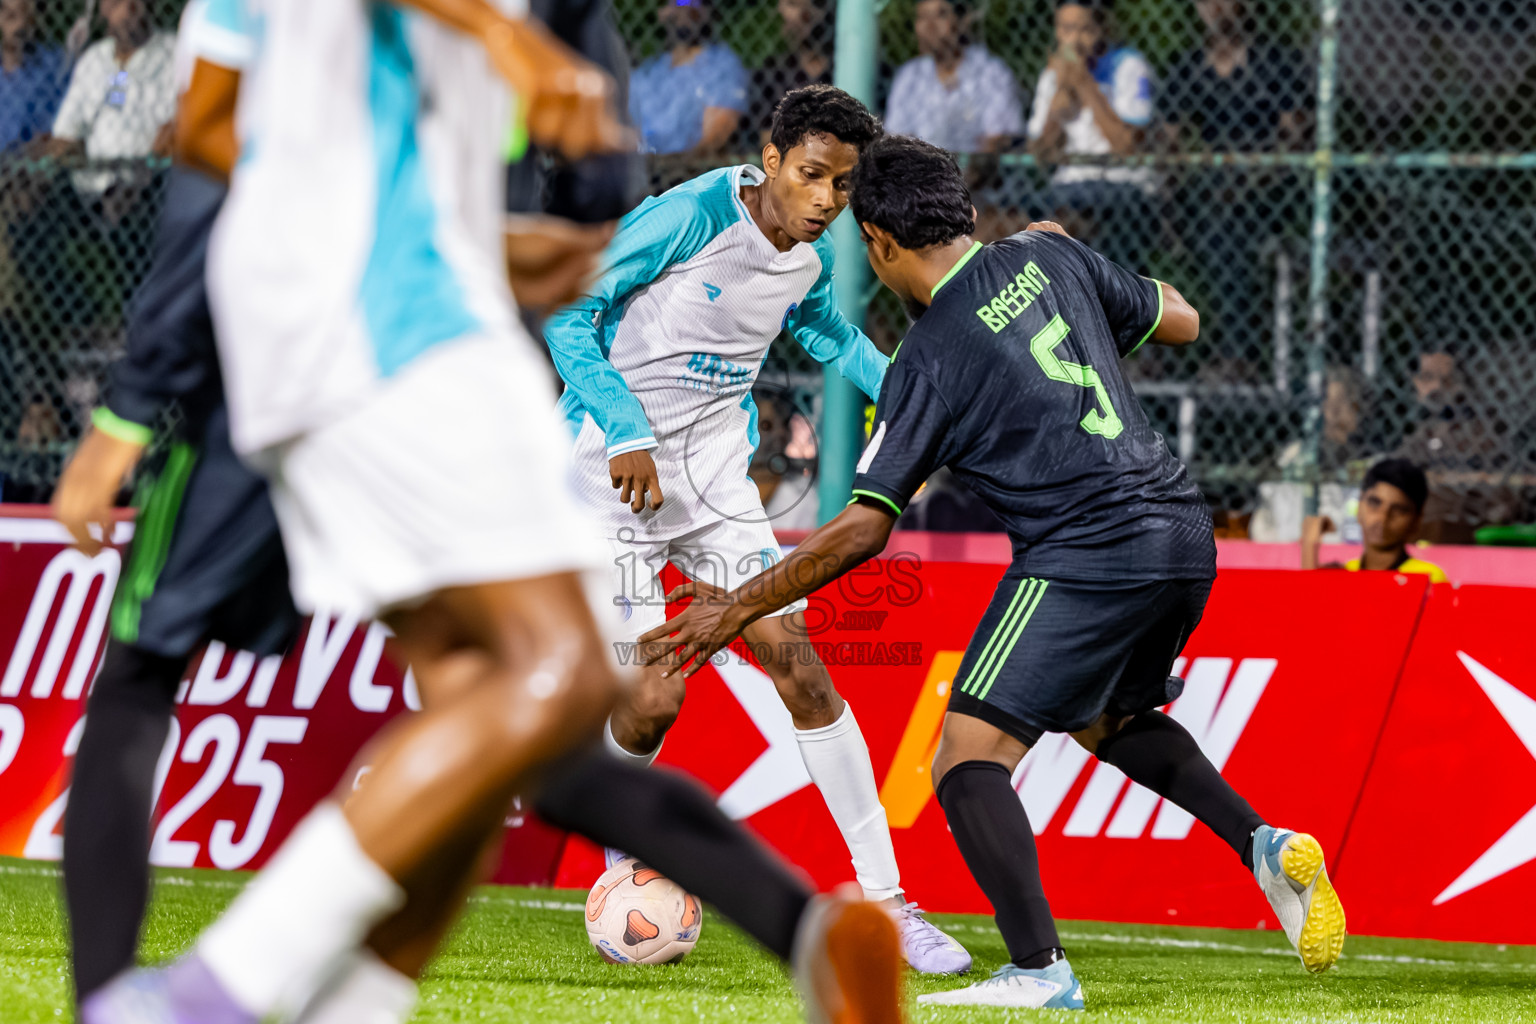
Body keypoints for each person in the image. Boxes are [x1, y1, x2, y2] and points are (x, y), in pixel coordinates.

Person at [81, 4, 906, 1024]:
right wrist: (135, 398)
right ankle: (211, 995)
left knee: (541, 706)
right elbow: (207, 137)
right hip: (341, 343)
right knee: (553, 688)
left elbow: (575, 197)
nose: (826, 199)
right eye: (812, 174)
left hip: (455, 345)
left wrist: (503, 236)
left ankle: (820, 927)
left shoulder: (553, 33)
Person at [642, 135, 1348, 1009]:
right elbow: (1185, 320)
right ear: (966, 212)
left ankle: (1039, 972)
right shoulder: (1047, 251)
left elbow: (865, 530)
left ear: (882, 245)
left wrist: (730, 610)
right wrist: (1072, 261)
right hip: (1182, 533)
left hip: (1088, 549)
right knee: (1104, 717)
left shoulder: (930, 355)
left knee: (965, 760)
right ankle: (1263, 845)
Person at [544, 84, 971, 975]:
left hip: (714, 488)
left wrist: (927, 405)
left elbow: (830, 338)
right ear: (772, 160)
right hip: (608, 477)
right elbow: (567, 312)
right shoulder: (687, 219)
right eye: (812, 176)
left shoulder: (807, 262)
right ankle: (626, 850)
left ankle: (889, 903)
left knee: (800, 669)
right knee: (653, 699)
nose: (826, 200)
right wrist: (624, 425)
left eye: (843, 187)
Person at [50, 1, 299, 1008]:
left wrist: (127, 408)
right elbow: (581, 178)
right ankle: (798, 920)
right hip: (439, 369)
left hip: (277, 362)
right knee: (509, 686)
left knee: (138, 676)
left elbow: (208, 174)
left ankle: (111, 995)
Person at [1161, 0, 1312, 368]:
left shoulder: (1275, 63)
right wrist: (1175, 181)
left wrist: (1253, 175)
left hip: (1267, 188)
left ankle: (1236, 356)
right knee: (1195, 214)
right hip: (1208, 186)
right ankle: (1149, 353)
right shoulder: (1189, 66)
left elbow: (1295, 138)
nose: (1215, 8)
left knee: (1226, 227)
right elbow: (1168, 142)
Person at [1026, 0, 1156, 272]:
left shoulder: (1127, 66)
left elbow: (1127, 146)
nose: (1074, 40)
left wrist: (1084, 84)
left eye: (1084, 29)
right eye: (1066, 29)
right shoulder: (1052, 75)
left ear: (1102, 29)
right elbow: (1040, 153)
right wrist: (1059, 101)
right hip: (1067, 184)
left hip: (1121, 182)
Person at [41, 0, 176, 197]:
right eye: (117, 2)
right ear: (104, 9)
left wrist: (145, 171)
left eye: (136, 2)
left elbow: (177, 130)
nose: (129, 9)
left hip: (149, 190)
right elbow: (65, 134)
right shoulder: (94, 59)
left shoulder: (175, 53)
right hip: (88, 192)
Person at [883, 0, 1023, 154]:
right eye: (922, 17)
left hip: (975, 173)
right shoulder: (909, 77)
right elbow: (897, 139)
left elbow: (997, 140)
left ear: (963, 21)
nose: (929, 26)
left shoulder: (991, 73)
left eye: (941, 15)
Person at [628, 0, 747, 155]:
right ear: (662, 12)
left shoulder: (722, 65)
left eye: (695, 2)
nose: (685, 8)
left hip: (682, 172)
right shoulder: (649, 70)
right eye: (678, 2)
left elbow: (713, 138)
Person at [1301, 457, 1446, 581]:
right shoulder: (1342, 573)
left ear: (1416, 521)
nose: (1382, 517)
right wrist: (1309, 547)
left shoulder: (1427, 578)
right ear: (1359, 506)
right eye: (1374, 503)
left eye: (1398, 510)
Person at [751, 0, 834, 145]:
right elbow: (766, 136)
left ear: (818, 12)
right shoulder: (774, 70)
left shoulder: (847, 69)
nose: (781, 12)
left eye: (792, 3)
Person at [0, 0, 64, 152]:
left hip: (36, 167)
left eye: (23, 11)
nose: (19, 23)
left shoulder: (54, 65)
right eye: (10, 15)